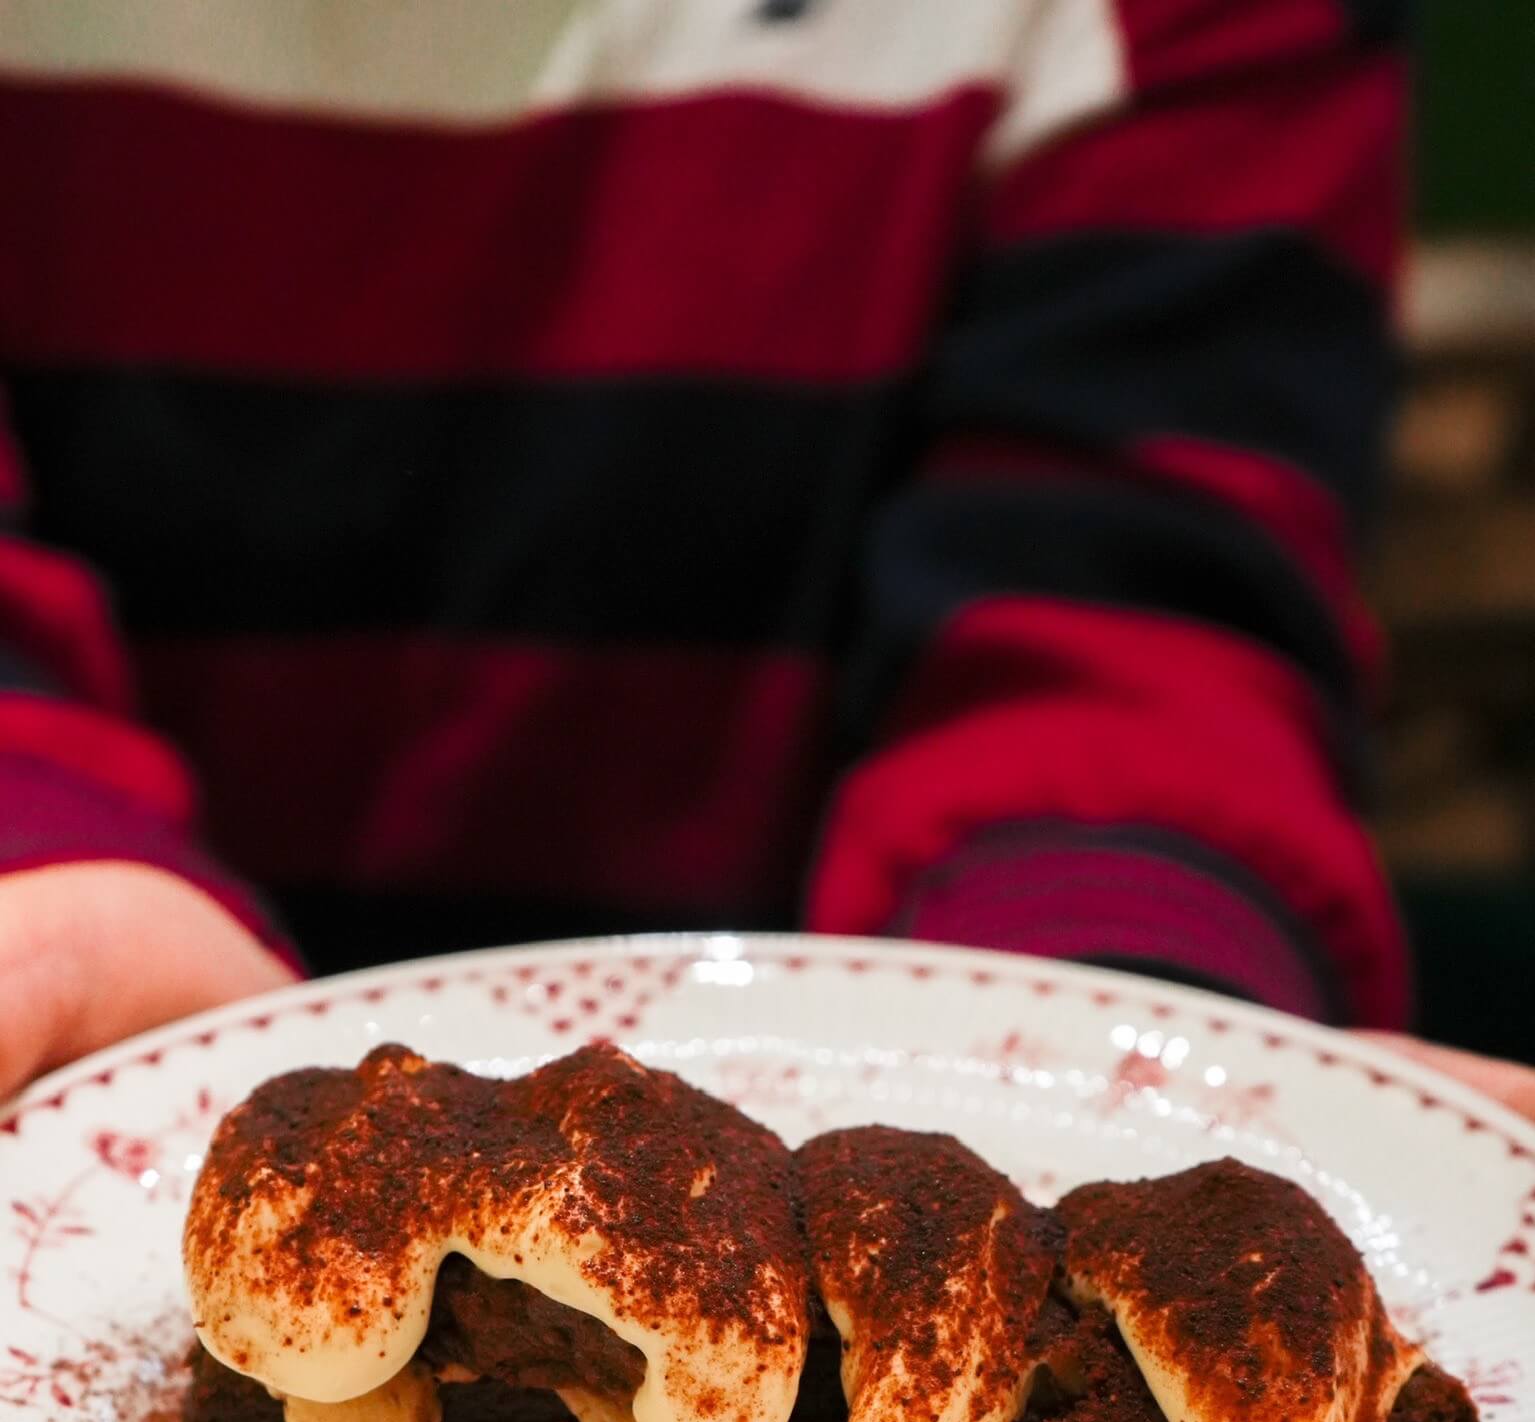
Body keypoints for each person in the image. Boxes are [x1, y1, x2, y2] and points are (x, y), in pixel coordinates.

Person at [0, 0, 1528, 1118]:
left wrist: (1116, 1048)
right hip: (104, 1094)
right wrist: (53, 919)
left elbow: (1138, 619)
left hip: (856, 1107)